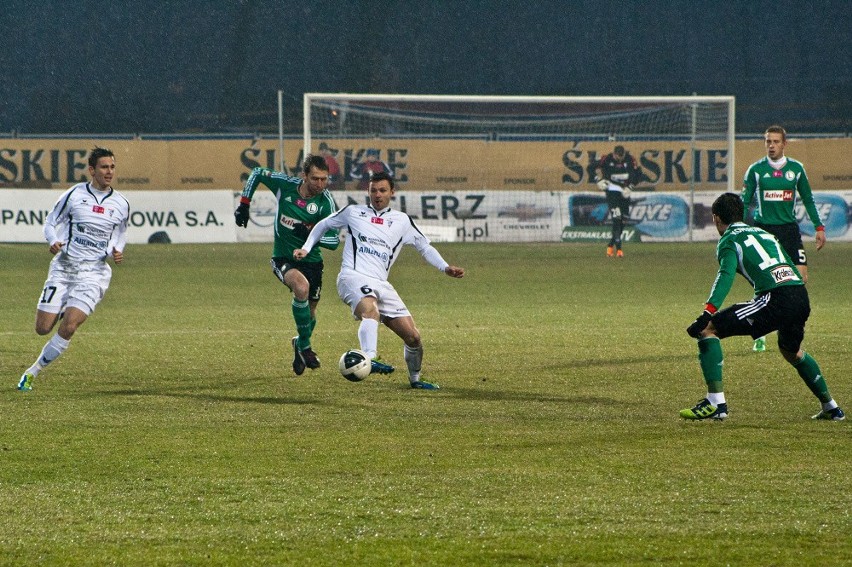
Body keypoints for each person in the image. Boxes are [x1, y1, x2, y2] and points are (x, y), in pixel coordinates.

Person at [293, 171, 465, 390]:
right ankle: (369, 357)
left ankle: (415, 380)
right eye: (373, 190)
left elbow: (424, 246)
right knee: (370, 310)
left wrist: (445, 267)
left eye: (382, 190)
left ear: (392, 192)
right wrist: (306, 248)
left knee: (413, 337)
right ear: (368, 191)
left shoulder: (402, 221)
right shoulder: (354, 212)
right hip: (352, 276)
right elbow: (322, 225)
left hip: (381, 283)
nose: (377, 195)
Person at [681, 192, 844, 421]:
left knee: (708, 328)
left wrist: (707, 311)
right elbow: (787, 265)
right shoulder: (763, 233)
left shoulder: (728, 240)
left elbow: (725, 275)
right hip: (799, 295)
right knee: (792, 351)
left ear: (716, 218)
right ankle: (831, 407)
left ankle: (716, 402)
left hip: (776, 299)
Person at [18, 147, 130, 391]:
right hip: (65, 268)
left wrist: (116, 249)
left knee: (69, 326)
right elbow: (50, 221)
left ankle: (32, 372)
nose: (109, 171)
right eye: (104, 167)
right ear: (92, 170)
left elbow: (120, 232)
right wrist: (52, 241)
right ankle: (60, 307)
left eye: (112, 167)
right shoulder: (74, 194)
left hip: (94, 273)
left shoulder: (121, 204)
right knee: (42, 328)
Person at [234, 155, 340, 376]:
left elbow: (334, 241)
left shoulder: (325, 202)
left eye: (324, 179)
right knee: (301, 287)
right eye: (315, 179)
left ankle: (299, 343)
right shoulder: (285, 185)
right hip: (283, 258)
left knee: (310, 315)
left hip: (312, 262)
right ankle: (307, 347)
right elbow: (257, 173)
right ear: (304, 176)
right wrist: (244, 204)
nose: (320, 184)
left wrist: (312, 234)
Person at [742, 125, 825, 352]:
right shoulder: (756, 170)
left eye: (776, 141)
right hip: (764, 230)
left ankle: (786, 325)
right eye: (768, 141)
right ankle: (760, 330)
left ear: (784, 144)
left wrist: (819, 227)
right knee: (766, 282)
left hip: (788, 230)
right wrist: (738, 228)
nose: (771, 145)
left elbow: (808, 199)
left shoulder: (796, 169)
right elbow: (745, 201)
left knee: (801, 277)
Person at [588, 145, 641, 257]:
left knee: (624, 220)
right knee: (616, 218)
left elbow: (638, 175)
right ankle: (619, 250)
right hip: (612, 191)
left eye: (622, 157)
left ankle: (610, 245)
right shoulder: (606, 159)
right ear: (614, 154)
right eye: (618, 157)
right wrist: (598, 180)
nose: (620, 160)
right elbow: (590, 167)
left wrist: (630, 187)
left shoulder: (630, 159)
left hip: (624, 191)